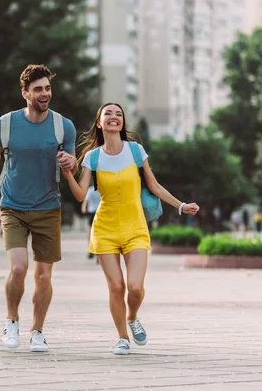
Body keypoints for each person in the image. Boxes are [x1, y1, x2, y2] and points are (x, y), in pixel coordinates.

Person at [62, 102, 199, 355]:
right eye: (108, 114)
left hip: (135, 228)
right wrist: (68, 174)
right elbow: (81, 195)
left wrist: (181, 206)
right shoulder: (92, 157)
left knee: (134, 288)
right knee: (116, 287)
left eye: (119, 114)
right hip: (105, 229)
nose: (114, 117)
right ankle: (122, 337)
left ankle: (132, 317)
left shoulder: (136, 151)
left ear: (122, 122)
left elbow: (154, 186)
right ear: (99, 123)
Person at [0, 64, 77, 352]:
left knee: (44, 276)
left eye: (47, 88)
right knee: (19, 268)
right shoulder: (6, 124)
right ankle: (12, 321)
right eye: (38, 89)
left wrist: (70, 163)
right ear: (25, 93)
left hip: (48, 206)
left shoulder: (63, 125)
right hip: (13, 205)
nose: (45, 94)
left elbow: (72, 159)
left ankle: (38, 330)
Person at [81, 185, 101, 259]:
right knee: (98, 233)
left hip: (92, 213)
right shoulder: (102, 189)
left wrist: (83, 209)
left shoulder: (91, 190)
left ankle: (92, 249)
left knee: (90, 232)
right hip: (99, 212)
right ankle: (94, 249)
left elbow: (86, 201)